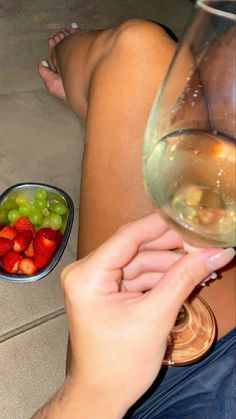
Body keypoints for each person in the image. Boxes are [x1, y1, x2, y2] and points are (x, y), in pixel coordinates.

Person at [34, 20, 236, 417]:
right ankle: (101, 105)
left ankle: (87, 85)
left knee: (135, 50)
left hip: (183, 389)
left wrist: (93, 393)